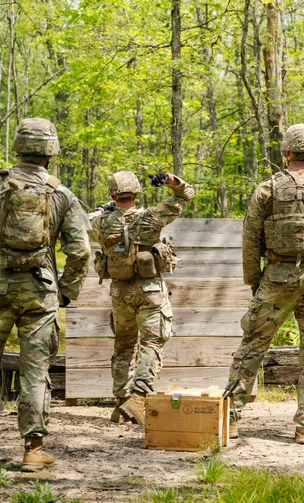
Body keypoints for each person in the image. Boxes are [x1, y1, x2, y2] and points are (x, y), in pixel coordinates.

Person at [0, 118, 90, 471]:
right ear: (51, 152)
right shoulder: (62, 195)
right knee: (35, 372)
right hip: (39, 293)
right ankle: (32, 449)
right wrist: (66, 290)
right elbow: (81, 251)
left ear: (18, 147)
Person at [224, 124, 304, 445]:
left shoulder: (266, 191)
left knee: (252, 344)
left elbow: (250, 241)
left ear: (286, 153)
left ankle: (229, 420)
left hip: (276, 276)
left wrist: (255, 282)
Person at [88, 169, 194, 425]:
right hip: (150, 292)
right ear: (136, 192)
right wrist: (170, 180)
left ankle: (120, 403)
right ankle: (137, 397)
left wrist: (105, 210)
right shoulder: (150, 218)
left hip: (120, 293)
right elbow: (186, 195)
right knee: (152, 343)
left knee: (123, 346)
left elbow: (86, 221)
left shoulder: (100, 222)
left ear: (113, 194)